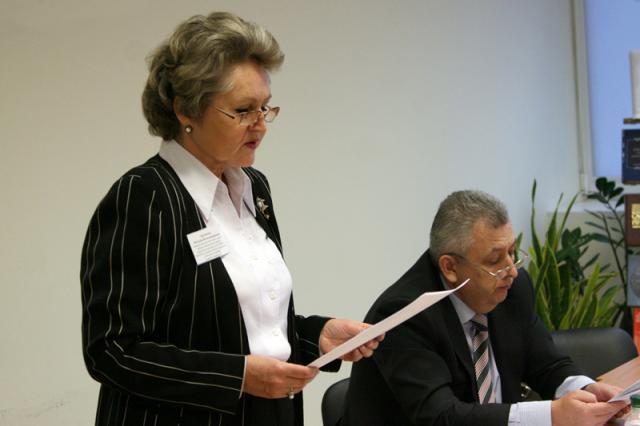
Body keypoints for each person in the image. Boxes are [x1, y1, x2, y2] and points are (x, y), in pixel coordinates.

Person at [80, 12, 381, 426]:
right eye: (242, 110)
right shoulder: (145, 196)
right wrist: (237, 377)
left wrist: (317, 336)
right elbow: (112, 350)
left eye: (265, 108)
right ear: (185, 110)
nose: (261, 126)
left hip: (270, 411)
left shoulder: (254, 187)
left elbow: (238, 322)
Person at [341, 190, 628, 426]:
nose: (511, 270)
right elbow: (441, 417)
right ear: (450, 267)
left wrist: (585, 389)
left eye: (512, 252)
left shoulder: (512, 287)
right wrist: (552, 415)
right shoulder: (404, 314)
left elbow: (545, 363)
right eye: (494, 260)